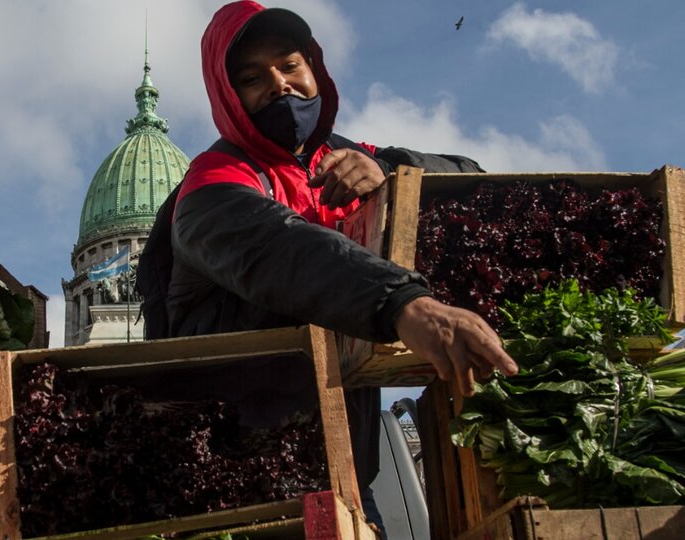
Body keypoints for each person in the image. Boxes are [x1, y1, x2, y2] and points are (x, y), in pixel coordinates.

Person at [149, 0, 518, 534]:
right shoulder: (211, 183)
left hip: (348, 483)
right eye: (253, 77)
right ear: (227, 97)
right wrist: (402, 302)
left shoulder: (345, 157)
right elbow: (283, 251)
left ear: (314, 70)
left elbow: (470, 175)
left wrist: (389, 171)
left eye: (290, 65)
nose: (279, 85)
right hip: (238, 490)